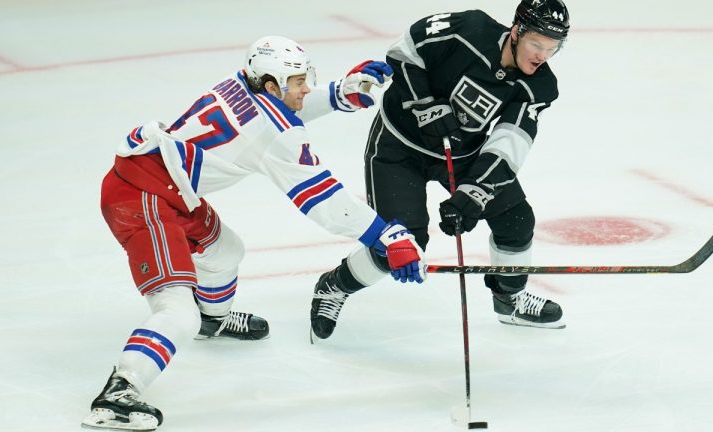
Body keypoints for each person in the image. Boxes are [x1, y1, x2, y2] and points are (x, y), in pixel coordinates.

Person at [82, 36, 426, 431]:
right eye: (298, 82)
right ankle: (119, 392)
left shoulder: (241, 80)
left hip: (166, 184)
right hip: (144, 198)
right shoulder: (275, 133)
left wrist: (338, 95)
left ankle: (213, 319)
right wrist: (383, 235)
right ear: (270, 85)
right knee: (176, 311)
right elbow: (322, 198)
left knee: (226, 251)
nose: (305, 88)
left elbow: (272, 116)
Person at [310, 0, 570, 340]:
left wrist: (473, 192)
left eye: (552, 49)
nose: (542, 56)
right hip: (399, 148)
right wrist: (424, 104)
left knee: (516, 219)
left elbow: (510, 141)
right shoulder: (470, 30)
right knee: (403, 244)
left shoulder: (539, 86)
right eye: (537, 44)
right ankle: (333, 286)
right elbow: (404, 53)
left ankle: (510, 298)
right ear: (517, 30)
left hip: (461, 156)